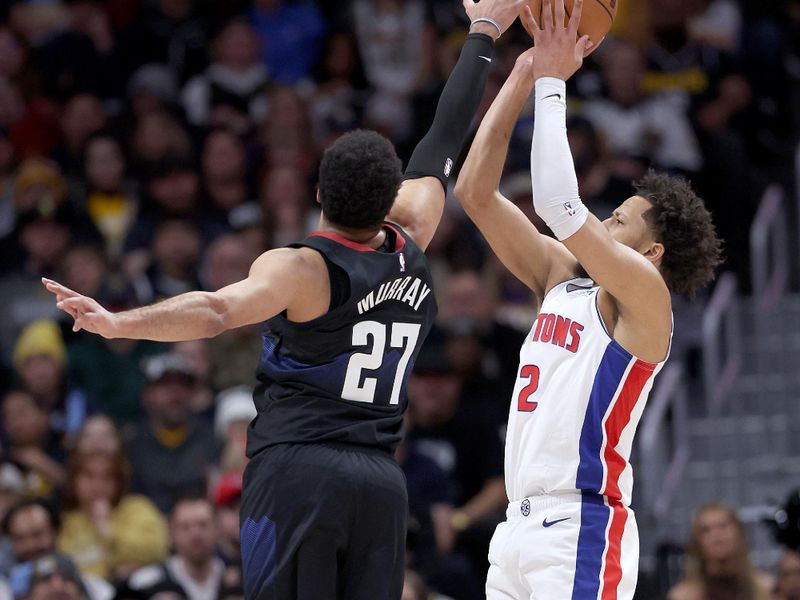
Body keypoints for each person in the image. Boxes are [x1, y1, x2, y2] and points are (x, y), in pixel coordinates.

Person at [43, 0, 529, 596]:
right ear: (387, 200)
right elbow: (445, 133)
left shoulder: (302, 268)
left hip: (299, 470)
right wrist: (486, 33)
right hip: (380, 480)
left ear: (319, 191)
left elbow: (216, 310)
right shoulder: (415, 234)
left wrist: (118, 323)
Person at [452, 0, 723, 597]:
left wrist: (553, 81)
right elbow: (474, 191)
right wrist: (526, 69)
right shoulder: (562, 277)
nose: (605, 221)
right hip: (516, 530)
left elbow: (558, 205)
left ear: (651, 254)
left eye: (621, 221)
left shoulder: (645, 302)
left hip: (581, 525)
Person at [667, 503, 772, 600]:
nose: (716, 535)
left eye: (723, 526)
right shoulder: (683, 596)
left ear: (739, 533)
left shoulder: (766, 589)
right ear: (696, 542)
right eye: (706, 530)